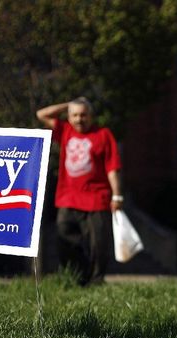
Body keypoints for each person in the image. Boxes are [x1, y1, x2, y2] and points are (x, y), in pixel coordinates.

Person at [36, 97, 123, 285]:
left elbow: (112, 168)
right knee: (64, 238)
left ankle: (97, 280)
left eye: (83, 115)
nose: (79, 119)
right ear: (68, 117)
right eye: (74, 115)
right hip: (68, 198)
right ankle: (78, 277)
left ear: (91, 116)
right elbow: (41, 114)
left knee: (98, 244)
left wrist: (117, 195)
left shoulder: (103, 135)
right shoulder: (65, 131)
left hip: (97, 198)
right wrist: (68, 104)